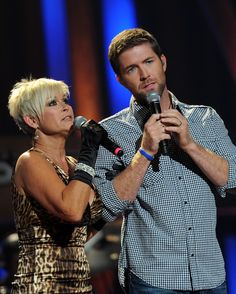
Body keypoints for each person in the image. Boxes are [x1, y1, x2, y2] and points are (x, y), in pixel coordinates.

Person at [94, 28, 236, 293]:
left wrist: (190, 145)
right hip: (153, 279)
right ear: (120, 79)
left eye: (149, 62)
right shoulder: (109, 132)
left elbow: (234, 179)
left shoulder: (205, 118)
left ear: (163, 62)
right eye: (132, 69)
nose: (145, 74)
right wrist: (145, 152)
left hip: (211, 275)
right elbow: (104, 209)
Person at [8, 77, 105, 293]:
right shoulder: (30, 161)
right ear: (33, 121)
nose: (66, 107)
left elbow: (80, 232)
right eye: (53, 103)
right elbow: (71, 210)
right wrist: (89, 151)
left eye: (65, 100)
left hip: (79, 283)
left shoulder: (74, 165)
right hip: (42, 285)